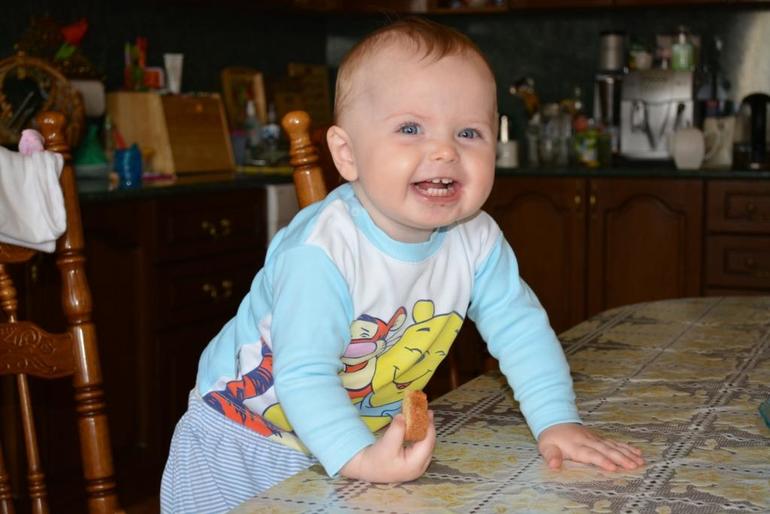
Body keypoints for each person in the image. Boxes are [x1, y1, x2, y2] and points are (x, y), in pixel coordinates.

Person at [160, 17, 644, 513]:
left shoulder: (476, 239)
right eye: (410, 128)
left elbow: (521, 332)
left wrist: (557, 421)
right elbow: (303, 373)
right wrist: (360, 457)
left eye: (469, 132)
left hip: (354, 439)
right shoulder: (322, 251)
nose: (445, 150)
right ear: (347, 154)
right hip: (243, 443)